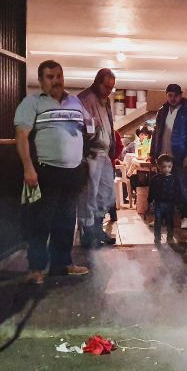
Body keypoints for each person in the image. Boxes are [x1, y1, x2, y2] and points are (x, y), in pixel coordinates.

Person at [13, 60, 91, 284]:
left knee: (66, 220)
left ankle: (62, 264)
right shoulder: (32, 103)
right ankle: (36, 268)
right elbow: (22, 137)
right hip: (46, 171)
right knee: (41, 221)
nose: (56, 81)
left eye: (59, 76)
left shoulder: (75, 102)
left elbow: (84, 130)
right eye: (50, 77)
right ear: (40, 80)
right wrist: (28, 168)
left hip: (72, 172)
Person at [76, 69, 117, 248]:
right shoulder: (84, 99)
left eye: (111, 87)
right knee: (89, 195)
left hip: (104, 152)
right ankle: (88, 232)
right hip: (91, 153)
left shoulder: (105, 100)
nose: (109, 90)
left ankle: (97, 228)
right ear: (98, 82)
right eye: (106, 86)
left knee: (107, 192)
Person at [149, 84, 187, 230]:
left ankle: (185, 217)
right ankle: (162, 218)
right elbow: (156, 133)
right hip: (162, 155)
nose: (173, 98)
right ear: (166, 95)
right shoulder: (162, 111)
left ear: (180, 95)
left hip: (179, 155)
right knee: (162, 189)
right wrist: (153, 153)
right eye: (170, 95)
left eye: (175, 95)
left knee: (182, 187)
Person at [149, 154, 181, 245]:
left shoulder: (174, 179)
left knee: (170, 222)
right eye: (164, 167)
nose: (166, 169)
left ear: (172, 166)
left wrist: (177, 203)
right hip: (159, 204)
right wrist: (150, 201)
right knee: (158, 222)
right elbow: (152, 191)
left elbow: (177, 191)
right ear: (159, 166)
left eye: (169, 167)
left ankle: (170, 237)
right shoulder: (155, 179)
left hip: (170, 204)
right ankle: (157, 238)